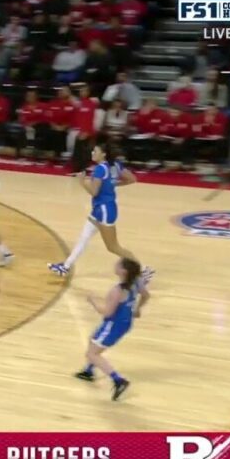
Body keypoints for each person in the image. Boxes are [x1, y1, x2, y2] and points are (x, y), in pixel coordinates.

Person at [49, 145, 152, 281]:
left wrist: (82, 181)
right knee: (83, 238)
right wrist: (113, 184)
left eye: (95, 151)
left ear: (103, 154)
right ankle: (66, 266)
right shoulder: (115, 165)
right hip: (102, 209)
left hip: (104, 210)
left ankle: (143, 269)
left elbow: (94, 192)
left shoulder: (99, 169)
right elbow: (132, 179)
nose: (92, 152)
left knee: (113, 247)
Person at [73, 257, 146, 401]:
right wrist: (138, 308)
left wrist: (92, 300)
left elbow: (107, 312)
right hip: (125, 323)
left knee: (92, 354)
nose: (115, 264)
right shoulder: (136, 282)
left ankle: (118, 380)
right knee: (93, 341)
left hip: (113, 325)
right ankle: (88, 371)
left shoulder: (117, 291)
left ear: (123, 271)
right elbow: (146, 295)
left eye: (118, 264)